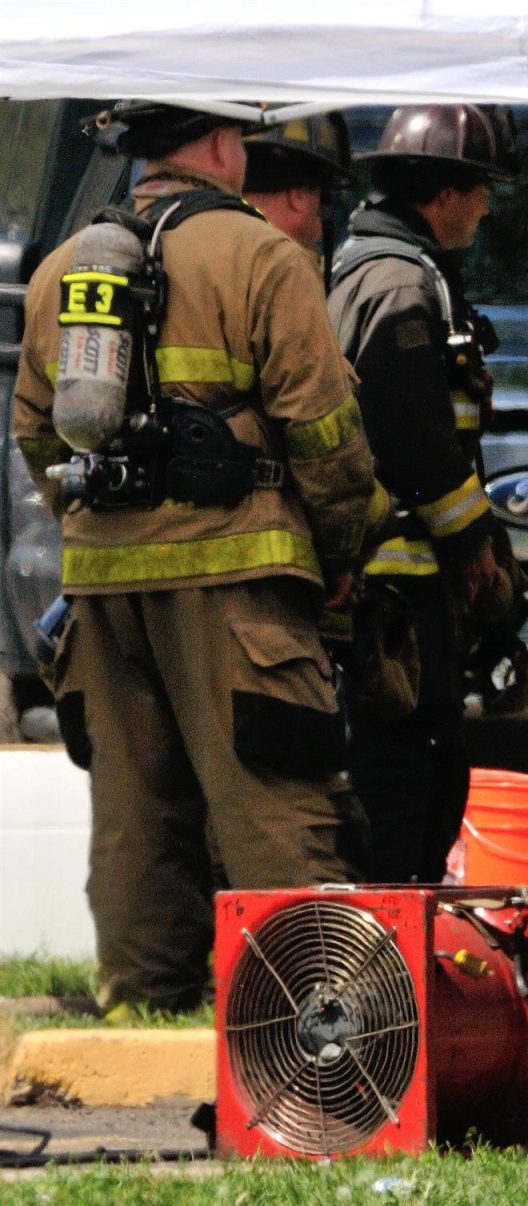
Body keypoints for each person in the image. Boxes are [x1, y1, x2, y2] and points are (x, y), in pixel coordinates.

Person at [10, 100, 386, 1017]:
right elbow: (326, 431)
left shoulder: (64, 267)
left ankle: (143, 1009)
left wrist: (93, 518)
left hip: (105, 591)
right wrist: (340, 547)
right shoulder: (263, 256)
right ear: (223, 145)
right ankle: (316, 1025)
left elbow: (33, 430)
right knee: (277, 804)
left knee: (138, 819)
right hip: (237, 585)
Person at [327, 104, 519, 884]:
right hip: (402, 590)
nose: (485, 206)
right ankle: (386, 956)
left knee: (410, 778)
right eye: (480, 188)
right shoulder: (405, 286)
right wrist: (479, 553)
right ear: (443, 193)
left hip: (394, 584)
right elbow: (416, 445)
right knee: (409, 787)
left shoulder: (374, 269)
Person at [243, 112, 354, 255]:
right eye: (320, 208)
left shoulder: (212, 242)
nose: (320, 230)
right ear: (299, 195)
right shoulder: (290, 267)